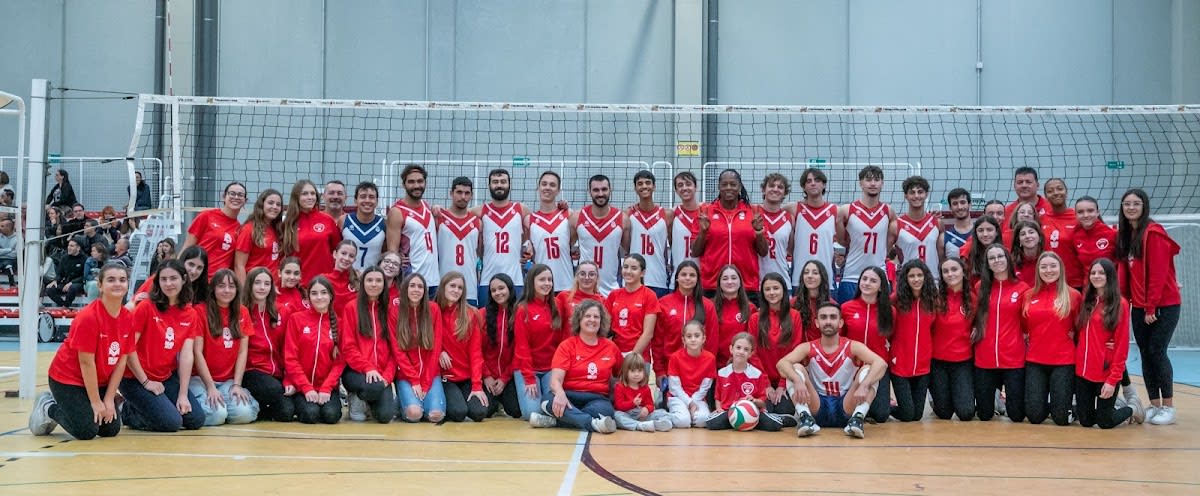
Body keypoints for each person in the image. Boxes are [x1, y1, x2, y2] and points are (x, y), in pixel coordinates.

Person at [29, 263, 134, 439]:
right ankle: (48, 406)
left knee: (110, 429)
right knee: (86, 430)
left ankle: (88, 405)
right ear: (100, 285)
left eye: (122, 280)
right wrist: (95, 402)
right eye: (111, 280)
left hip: (99, 381)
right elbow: (86, 363)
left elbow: (122, 361)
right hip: (68, 379)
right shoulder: (88, 317)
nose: (118, 284)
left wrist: (108, 399)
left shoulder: (128, 318)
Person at [1116, 188, 1181, 425]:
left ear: (1144, 207)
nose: (1131, 208)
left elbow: (1157, 274)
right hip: (1139, 306)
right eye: (1127, 204)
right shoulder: (1126, 235)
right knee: (1145, 353)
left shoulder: (1153, 234)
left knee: (1157, 351)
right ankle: (1154, 405)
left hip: (1163, 304)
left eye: (1136, 204)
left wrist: (1152, 307)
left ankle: (1169, 407)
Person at [777, 302, 889, 438]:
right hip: (817, 406)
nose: (828, 321)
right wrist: (797, 380)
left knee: (869, 370)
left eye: (832, 317)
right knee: (795, 368)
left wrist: (864, 385)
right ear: (817, 323)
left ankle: (857, 419)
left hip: (846, 406)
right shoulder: (808, 347)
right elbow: (782, 364)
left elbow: (881, 364)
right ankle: (805, 418)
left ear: (841, 322)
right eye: (823, 317)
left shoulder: (853, 346)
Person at [119, 260, 205, 432]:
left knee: (195, 419)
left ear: (184, 279)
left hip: (165, 376)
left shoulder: (190, 314)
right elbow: (128, 349)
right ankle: (126, 410)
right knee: (171, 423)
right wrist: (145, 382)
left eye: (173, 278)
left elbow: (187, 356)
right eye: (163, 279)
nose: (168, 284)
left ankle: (151, 406)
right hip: (134, 378)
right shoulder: (146, 307)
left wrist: (182, 394)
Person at [527, 299, 620, 433]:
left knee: (606, 411)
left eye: (596, 317)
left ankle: (557, 421)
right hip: (568, 395)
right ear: (579, 320)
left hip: (597, 398)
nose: (592, 320)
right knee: (548, 401)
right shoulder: (567, 346)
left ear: (601, 321)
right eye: (587, 316)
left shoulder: (611, 348)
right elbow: (555, 381)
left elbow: (619, 376)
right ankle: (592, 423)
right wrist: (559, 394)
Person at [189, 269, 259, 426]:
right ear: (213, 289)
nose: (227, 290)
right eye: (221, 286)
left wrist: (237, 384)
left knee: (245, 415)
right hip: (199, 379)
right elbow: (197, 352)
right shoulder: (199, 311)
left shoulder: (242, 312)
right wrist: (210, 387)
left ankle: (227, 405)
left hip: (227, 380)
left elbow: (242, 352)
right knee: (217, 416)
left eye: (231, 286)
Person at [972, 244, 1030, 422]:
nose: (997, 261)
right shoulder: (980, 287)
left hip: (1013, 358)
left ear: (1008, 259)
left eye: (1000, 256)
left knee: (1017, 415)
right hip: (985, 357)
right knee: (984, 415)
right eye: (992, 258)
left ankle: (1006, 401)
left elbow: (1027, 321)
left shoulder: (1022, 288)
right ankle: (996, 402)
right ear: (987, 263)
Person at [1020, 252, 1079, 426]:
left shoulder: (1073, 296)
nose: (1048, 270)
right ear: (1038, 270)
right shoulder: (1029, 295)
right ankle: (1049, 404)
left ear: (1061, 268)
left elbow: (1081, 327)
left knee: (1060, 419)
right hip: (1035, 360)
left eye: (1053, 266)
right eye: (1043, 266)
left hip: (1063, 360)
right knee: (1034, 416)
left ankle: (1075, 408)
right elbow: (1024, 326)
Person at [1075, 259, 1134, 429]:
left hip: (1104, 373)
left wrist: (1112, 380)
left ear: (1110, 276)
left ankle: (1132, 409)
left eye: (1101, 272)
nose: (1096, 276)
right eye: (1093, 273)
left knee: (1104, 422)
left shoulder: (1119, 304)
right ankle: (1109, 406)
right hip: (1083, 373)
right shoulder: (1086, 301)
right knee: (1085, 421)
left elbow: (1122, 346)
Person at [694, 169, 767, 301]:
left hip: (746, 284)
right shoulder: (705, 212)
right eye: (724, 184)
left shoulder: (753, 212)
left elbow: (763, 252)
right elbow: (695, 252)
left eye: (733, 184)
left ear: (739, 187)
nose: (729, 188)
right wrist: (703, 232)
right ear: (719, 186)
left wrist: (759, 233)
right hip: (712, 284)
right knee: (711, 321)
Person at [339, 266, 398, 423]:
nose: (374, 284)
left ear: (384, 285)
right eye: (369, 280)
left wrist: (387, 377)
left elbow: (395, 351)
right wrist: (368, 368)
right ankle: (356, 398)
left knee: (385, 417)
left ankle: (371, 401)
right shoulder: (351, 308)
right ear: (363, 283)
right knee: (373, 389)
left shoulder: (390, 310)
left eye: (378, 281)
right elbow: (348, 347)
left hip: (381, 375)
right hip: (356, 372)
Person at [283, 276, 344, 424]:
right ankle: (293, 403)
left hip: (326, 386)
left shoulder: (340, 323)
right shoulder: (296, 319)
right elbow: (290, 358)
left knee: (331, 416)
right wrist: (306, 388)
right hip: (301, 386)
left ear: (331, 296)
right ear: (308, 296)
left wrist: (326, 388)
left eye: (323, 293)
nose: (319, 297)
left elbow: (340, 362)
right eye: (314, 293)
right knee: (311, 414)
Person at [836, 166, 897, 303]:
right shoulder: (846, 210)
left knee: (881, 322)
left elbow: (888, 243)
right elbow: (842, 240)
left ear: (882, 183)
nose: (873, 183)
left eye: (877, 179)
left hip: (879, 277)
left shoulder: (889, 211)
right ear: (861, 183)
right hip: (851, 276)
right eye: (868, 180)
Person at [840, 266, 893, 423]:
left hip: (877, 369)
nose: (867, 283)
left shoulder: (890, 311)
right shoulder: (846, 308)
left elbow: (892, 338)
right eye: (864, 279)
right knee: (846, 412)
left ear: (881, 286)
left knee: (881, 415)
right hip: (851, 369)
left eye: (873, 280)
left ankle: (880, 402)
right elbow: (841, 339)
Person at [705, 332, 789, 432]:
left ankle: (780, 418)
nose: (741, 352)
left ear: (750, 353)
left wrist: (754, 401)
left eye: (746, 349)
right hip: (729, 413)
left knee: (775, 425)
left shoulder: (757, 374)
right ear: (731, 349)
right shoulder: (722, 373)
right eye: (738, 347)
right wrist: (719, 409)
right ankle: (736, 422)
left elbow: (762, 403)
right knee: (711, 423)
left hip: (753, 413)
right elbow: (718, 397)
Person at [890, 259, 940, 422]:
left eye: (920, 275)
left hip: (923, 365)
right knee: (907, 414)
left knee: (917, 415)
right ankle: (884, 406)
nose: (916, 279)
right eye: (912, 276)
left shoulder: (933, 300)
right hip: (900, 363)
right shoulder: (896, 299)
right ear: (906, 278)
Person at [242, 267, 294, 422]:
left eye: (266, 283)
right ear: (250, 285)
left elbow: (288, 348)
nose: (262, 287)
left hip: (276, 373)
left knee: (287, 412)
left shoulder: (281, 312)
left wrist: (289, 379)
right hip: (252, 371)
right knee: (272, 389)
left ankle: (261, 407)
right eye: (257, 283)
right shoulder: (242, 312)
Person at [391, 273, 445, 423]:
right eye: (412, 286)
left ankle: (417, 402)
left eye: (420, 286)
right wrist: (414, 380)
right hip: (407, 376)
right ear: (405, 289)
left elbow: (435, 349)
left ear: (425, 291)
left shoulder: (433, 309)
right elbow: (397, 350)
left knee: (436, 415)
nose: (416, 290)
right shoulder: (395, 311)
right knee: (414, 414)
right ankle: (402, 404)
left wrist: (426, 382)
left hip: (431, 374)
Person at [512, 264, 563, 420]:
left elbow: (562, 342)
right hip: (527, 369)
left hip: (550, 369)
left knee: (555, 408)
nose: (547, 283)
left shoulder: (557, 305)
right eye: (542, 280)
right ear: (531, 282)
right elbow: (522, 347)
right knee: (531, 414)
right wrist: (528, 379)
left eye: (549, 279)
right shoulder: (523, 309)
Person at [437, 271, 488, 423]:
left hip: (466, 377)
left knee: (479, 413)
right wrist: (439, 351)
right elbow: (425, 340)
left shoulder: (470, 314)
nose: (456, 290)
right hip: (445, 377)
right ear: (443, 287)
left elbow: (476, 353)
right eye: (452, 286)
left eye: (460, 288)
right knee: (459, 413)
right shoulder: (433, 310)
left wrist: (477, 386)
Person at [654, 260, 717, 382]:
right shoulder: (663, 303)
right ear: (676, 278)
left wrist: (707, 366)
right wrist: (659, 370)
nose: (687, 278)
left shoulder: (707, 306)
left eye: (692, 275)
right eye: (683, 275)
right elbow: (657, 340)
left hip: (699, 371)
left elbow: (712, 341)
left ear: (698, 279)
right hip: (670, 370)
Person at [748, 272, 801, 416]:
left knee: (784, 410)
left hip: (787, 377)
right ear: (763, 293)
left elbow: (795, 352)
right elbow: (752, 354)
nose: (772, 293)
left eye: (776, 288)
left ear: (784, 290)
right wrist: (766, 385)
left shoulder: (794, 316)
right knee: (766, 410)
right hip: (762, 378)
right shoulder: (755, 318)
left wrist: (783, 385)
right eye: (767, 289)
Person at [930, 257, 976, 421]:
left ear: (963, 272)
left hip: (963, 361)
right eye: (946, 271)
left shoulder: (972, 298)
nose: (950, 274)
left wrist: (978, 327)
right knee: (944, 413)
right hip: (938, 361)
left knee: (966, 413)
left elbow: (981, 321)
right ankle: (936, 397)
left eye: (954, 269)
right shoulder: (935, 298)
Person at [386, 165, 441, 297]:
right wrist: (397, 259)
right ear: (403, 184)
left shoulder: (427, 206)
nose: (416, 185)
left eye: (420, 181)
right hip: (412, 278)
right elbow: (392, 252)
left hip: (433, 279)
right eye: (411, 182)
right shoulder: (397, 212)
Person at [479, 169, 528, 306]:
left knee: (515, 323)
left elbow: (538, 223)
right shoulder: (480, 211)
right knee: (487, 322)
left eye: (503, 182)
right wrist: (436, 208)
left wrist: (526, 245)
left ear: (509, 185)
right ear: (489, 185)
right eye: (495, 182)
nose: (499, 185)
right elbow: (455, 214)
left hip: (516, 280)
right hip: (487, 280)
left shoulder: (521, 209)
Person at [280, 180, 342, 285]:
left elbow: (338, 252)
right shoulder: (288, 223)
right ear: (296, 197)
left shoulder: (327, 220)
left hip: (325, 284)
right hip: (298, 284)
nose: (310, 197)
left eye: (313, 193)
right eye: (305, 194)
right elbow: (282, 257)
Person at [181, 182, 246, 278]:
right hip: (197, 278)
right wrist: (177, 271)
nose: (236, 197)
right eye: (232, 193)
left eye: (240, 195)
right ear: (224, 197)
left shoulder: (240, 230)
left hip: (218, 283)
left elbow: (236, 264)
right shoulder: (206, 216)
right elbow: (186, 248)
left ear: (245, 201)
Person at [623, 170, 672, 298]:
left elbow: (671, 243)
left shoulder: (666, 214)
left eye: (648, 183)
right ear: (635, 188)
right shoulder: (628, 214)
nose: (644, 186)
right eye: (640, 183)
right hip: (633, 279)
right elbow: (625, 246)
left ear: (654, 187)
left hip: (658, 278)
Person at [605, 254, 659, 368]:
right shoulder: (614, 295)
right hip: (615, 355)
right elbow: (606, 328)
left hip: (639, 358)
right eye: (625, 267)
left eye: (634, 268)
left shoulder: (649, 295)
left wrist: (632, 356)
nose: (628, 271)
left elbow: (648, 333)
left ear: (642, 273)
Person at [575, 174, 624, 296]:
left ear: (610, 190)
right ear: (589, 192)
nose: (600, 194)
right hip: (584, 289)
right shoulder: (576, 217)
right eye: (596, 190)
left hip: (612, 289)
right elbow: (566, 246)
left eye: (604, 189)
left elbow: (627, 249)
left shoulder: (623, 218)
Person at [481, 274, 522, 419]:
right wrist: (486, 376)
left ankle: (503, 400)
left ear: (510, 289)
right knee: (484, 411)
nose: (498, 293)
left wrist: (505, 378)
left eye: (501, 288)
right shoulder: (482, 315)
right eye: (493, 290)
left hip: (508, 376)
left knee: (516, 410)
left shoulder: (519, 314)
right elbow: (476, 351)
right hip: (487, 376)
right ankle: (496, 403)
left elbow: (519, 353)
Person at [792, 169, 839, 293]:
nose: (813, 183)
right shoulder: (793, 208)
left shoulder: (835, 211)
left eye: (817, 180)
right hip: (799, 277)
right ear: (803, 187)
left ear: (824, 184)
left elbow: (845, 239)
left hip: (826, 278)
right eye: (808, 181)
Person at [437, 177, 481, 306]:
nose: (463, 197)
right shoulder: (439, 218)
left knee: (469, 325)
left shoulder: (477, 222)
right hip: (444, 285)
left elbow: (480, 251)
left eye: (467, 193)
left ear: (471, 195)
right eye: (459, 192)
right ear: (451, 193)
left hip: (470, 287)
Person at [528, 171, 575, 293]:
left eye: (552, 185)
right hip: (541, 286)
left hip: (566, 285)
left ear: (558, 190)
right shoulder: (529, 220)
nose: (547, 187)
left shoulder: (569, 215)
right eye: (544, 184)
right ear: (538, 188)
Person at [665, 320, 716, 428]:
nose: (693, 339)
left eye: (697, 336)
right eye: (689, 336)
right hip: (677, 397)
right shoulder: (675, 357)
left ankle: (688, 415)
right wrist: (689, 403)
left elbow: (705, 386)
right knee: (683, 422)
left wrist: (694, 401)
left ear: (703, 338)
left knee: (703, 421)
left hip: (699, 398)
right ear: (683, 339)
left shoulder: (710, 358)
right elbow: (674, 388)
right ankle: (663, 415)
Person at [896, 176, 944, 280]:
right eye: (912, 192)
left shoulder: (937, 223)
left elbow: (941, 255)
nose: (916, 196)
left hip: (933, 280)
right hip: (909, 281)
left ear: (926, 194)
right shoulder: (897, 224)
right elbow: (888, 253)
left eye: (920, 192)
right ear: (906, 196)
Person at [612, 354, 674, 432]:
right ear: (625, 371)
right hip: (628, 414)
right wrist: (632, 403)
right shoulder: (620, 386)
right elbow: (619, 406)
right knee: (617, 416)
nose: (636, 374)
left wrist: (647, 409)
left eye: (639, 371)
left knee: (662, 413)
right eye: (633, 371)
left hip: (642, 414)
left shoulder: (645, 388)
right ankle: (639, 425)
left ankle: (656, 424)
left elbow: (651, 404)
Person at [1040, 178, 1084, 287]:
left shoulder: (1078, 217)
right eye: (1050, 191)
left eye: (1059, 189)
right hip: (1049, 281)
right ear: (1045, 196)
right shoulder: (1040, 219)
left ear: (1066, 192)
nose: (1055, 193)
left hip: (1075, 282)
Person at [234, 188, 284, 282]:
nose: (275, 207)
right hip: (254, 286)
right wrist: (244, 293)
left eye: (278, 204)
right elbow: (239, 266)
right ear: (261, 205)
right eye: (270, 203)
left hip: (272, 288)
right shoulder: (248, 229)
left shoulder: (278, 230)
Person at [757, 173, 794, 294]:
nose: (775, 189)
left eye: (780, 187)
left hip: (782, 280)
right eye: (771, 185)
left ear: (785, 193)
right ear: (764, 190)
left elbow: (790, 249)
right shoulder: (753, 213)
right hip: (757, 283)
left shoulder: (789, 218)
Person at [712, 264, 755, 365]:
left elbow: (753, 341)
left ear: (740, 282)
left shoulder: (750, 308)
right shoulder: (710, 307)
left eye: (734, 278)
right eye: (725, 278)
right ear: (719, 283)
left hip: (743, 364)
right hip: (716, 365)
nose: (730, 282)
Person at [342, 181, 387, 272]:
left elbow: (385, 252)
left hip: (372, 279)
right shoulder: (343, 220)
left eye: (371, 197)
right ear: (355, 200)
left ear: (377, 201)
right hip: (347, 277)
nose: (367, 200)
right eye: (363, 196)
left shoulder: (384, 223)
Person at [791, 260, 833, 343]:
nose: (809, 276)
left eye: (815, 273)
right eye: (806, 272)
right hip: (798, 352)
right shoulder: (792, 303)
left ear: (822, 277)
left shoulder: (831, 305)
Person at [670, 172, 702, 276]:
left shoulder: (707, 212)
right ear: (676, 190)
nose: (684, 188)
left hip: (702, 275)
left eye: (688, 184)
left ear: (696, 187)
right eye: (680, 185)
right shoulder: (672, 213)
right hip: (679, 275)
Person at [555, 260, 604, 325]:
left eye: (591, 274)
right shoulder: (563, 296)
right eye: (582, 274)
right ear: (577, 276)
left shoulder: (603, 301)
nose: (586, 277)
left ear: (597, 278)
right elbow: (556, 325)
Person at [44, 237, 87, 307]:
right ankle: (63, 305)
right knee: (49, 289)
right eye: (68, 245)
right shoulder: (64, 258)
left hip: (78, 283)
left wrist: (71, 283)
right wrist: (55, 281)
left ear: (78, 248)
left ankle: (66, 305)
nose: (69, 248)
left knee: (72, 288)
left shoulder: (84, 259)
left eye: (72, 246)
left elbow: (84, 275)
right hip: (66, 282)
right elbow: (60, 273)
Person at [961, 216, 1002, 281]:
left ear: (996, 232)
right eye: (980, 230)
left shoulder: (1005, 252)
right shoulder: (968, 255)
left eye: (989, 230)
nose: (985, 234)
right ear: (975, 233)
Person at [322, 240, 359, 309]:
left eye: (351, 256)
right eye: (343, 253)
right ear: (335, 254)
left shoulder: (358, 282)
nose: (346, 258)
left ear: (354, 260)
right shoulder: (323, 280)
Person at [1009, 220, 1045, 287]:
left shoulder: (1048, 260)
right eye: (1023, 234)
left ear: (1039, 237)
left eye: (1031, 232)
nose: (1027, 236)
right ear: (1019, 240)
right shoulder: (1011, 263)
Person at [944, 188, 973, 257]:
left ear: (969, 205)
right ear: (950, 208)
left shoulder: (981, 232)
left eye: (962, 202)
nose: (959, 207)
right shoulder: (944, 237)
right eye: (955, 203)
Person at [0, 218, 17, 285]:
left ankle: (12, 285)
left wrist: (2, 253)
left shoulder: (18, 238)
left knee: (8, 266)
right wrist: (9, 250)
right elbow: (12, 251)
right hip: (1, 259)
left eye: (2, 226)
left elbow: (15, 254)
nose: (0, 228)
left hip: (12, 260)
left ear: (9, 227)